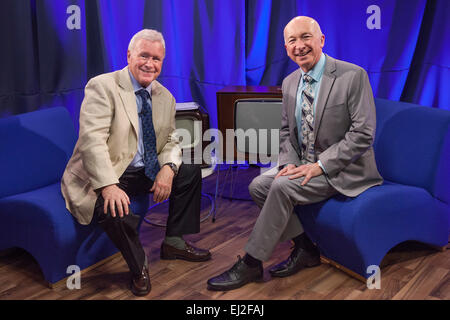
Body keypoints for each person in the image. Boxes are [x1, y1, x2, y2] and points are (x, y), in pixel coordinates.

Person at [207, 16, 383, 291]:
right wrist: (288, 163)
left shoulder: (352, 75)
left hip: (344, 170)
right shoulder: (290, 82)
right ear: (286, 48)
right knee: (258, 185)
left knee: (280, 188)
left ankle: (252, 262)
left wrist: (320, 166)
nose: (299, 45)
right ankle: (306, 249)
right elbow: (286, 131)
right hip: (303, 165)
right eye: (292, 40)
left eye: (305, 37)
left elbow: (363, 134)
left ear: (321, 40)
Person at [61, 29, 211, 297]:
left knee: (188, 172)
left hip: (143, 170)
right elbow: (91, 141)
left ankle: (174, 242)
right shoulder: (103, 86)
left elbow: (171, 141)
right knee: (113, 206)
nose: (149, 64)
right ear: (129, 55)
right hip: (107, 171)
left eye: (156, 59)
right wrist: (108, 185)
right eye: (144, 55)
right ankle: (138, 266)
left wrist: (168, 168)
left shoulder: (165, 96)